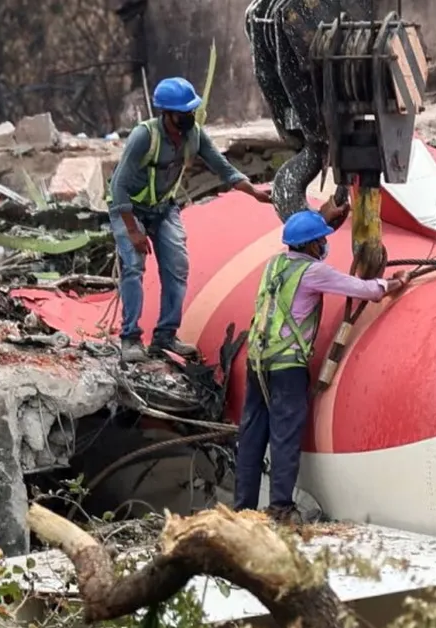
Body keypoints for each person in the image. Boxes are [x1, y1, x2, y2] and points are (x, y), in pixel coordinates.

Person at [234, 210, 408, 524]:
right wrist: (391, 284)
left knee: (251, 436)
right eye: (322, 239)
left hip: (257, 360)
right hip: (287, 367)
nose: (325, 243)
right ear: (312, 244)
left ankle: (242, 509)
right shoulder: (313, 272)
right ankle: (280, 508)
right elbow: (360, 288)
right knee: (285, 435)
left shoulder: (274, 264)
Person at [107, 76, 273, 363]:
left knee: (177, 267)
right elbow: (117, 185)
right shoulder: (144, 137)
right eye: (184, 113)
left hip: (163, 208)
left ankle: (165, 336)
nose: (189, 116)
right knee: (133, 267)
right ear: (167, 114)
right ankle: (130, 338)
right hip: (129, 209)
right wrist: (133, 231)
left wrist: (253, 191)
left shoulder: (194, 135)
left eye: (191, 111)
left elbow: (223, 168)